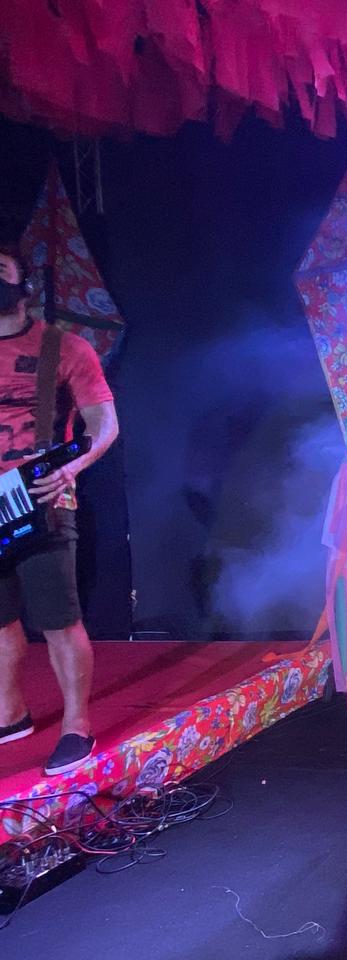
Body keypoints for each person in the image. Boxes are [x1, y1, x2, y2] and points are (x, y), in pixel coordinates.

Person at [0, 250, 120, 775]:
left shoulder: (63, 347)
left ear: (23, 283)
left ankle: (76, 726)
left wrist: (72, 469)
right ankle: (9, 714)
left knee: (58, 619)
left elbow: (104, 424)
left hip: (43, 497)